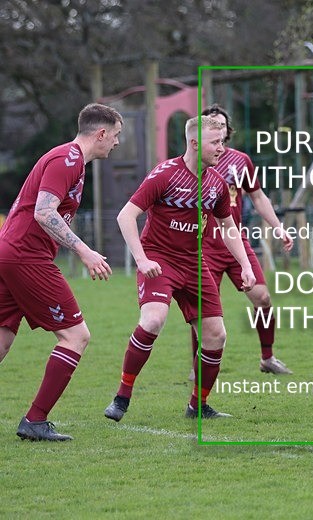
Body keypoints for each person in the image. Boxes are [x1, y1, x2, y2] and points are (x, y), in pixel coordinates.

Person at [103, 115, 256, 422]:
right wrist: (142, 259)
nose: (222, 148)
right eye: (215, 142)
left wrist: (245, 264)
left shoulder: (216, 184)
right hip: (160, 260)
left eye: (223, 141)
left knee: (216, 335)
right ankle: (122, 396)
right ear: (194, 143)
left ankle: (197, 406)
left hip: (194, 263)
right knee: (153, 320)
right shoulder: (165, 174)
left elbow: (228, 227)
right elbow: (126, 216)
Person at [0, 103, 122, 441]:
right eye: (115, 136)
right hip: (27, 255)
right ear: (100, 133)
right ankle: (35, 420)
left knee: (2, 340)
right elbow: (43, 211)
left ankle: (36, 420)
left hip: (11, 252)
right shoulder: (67, 159)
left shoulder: (74, 163)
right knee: (76, 336)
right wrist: (85, 251)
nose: (116, 143)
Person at [196, 104, 294, 375]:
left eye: (222, 125)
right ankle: (198, 365)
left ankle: (267, 358)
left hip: (236, 242)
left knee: (262, 298)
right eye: (212, 124)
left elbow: (258, 197)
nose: (218, 129)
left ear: (228, 131)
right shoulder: (195, 161)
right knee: (204, 311)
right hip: (204, 247)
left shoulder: (241, 161)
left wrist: (278, 227)